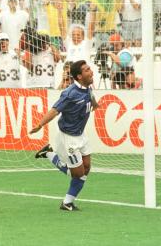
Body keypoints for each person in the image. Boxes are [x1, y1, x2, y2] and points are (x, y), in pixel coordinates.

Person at [30, 60, 98, 211]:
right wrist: (40, 125)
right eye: (87, 70)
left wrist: (95, 104)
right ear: (79, 76)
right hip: (69, 138)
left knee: (86, 167)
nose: (91, 71)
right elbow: (55, 110)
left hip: (81, 135)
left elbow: (90, 97)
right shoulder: (70, 93)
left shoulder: (87, 88)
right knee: (77, 173)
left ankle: (67, 202)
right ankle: (48, 153)